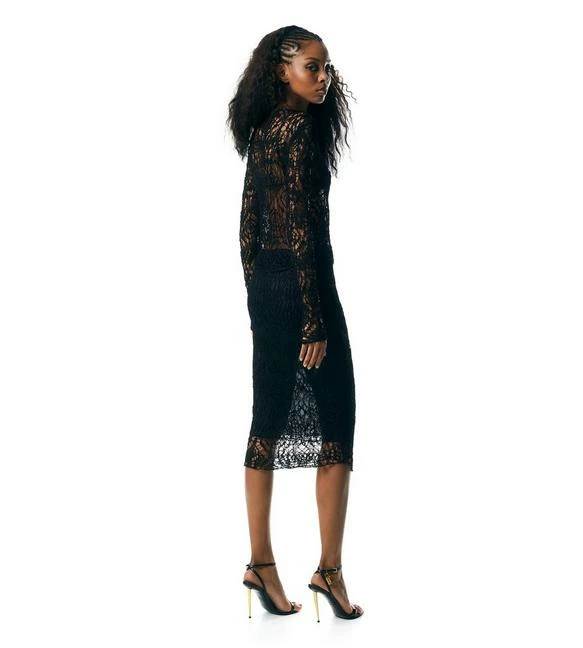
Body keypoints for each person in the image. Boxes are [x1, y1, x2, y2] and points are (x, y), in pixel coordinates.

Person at [226, 25, 364, 621]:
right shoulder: (300, 134)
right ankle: (328, 569)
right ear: (282, 70)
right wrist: (312, 320)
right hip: (308, 289)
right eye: (313, 66)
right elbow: (305, 232)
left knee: (266, 421)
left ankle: (261, 562)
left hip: (268, 287)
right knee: (336, 423)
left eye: (326, 68)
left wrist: (258, 299)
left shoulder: (262, 131)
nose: (323, 77)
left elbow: (247, 227)